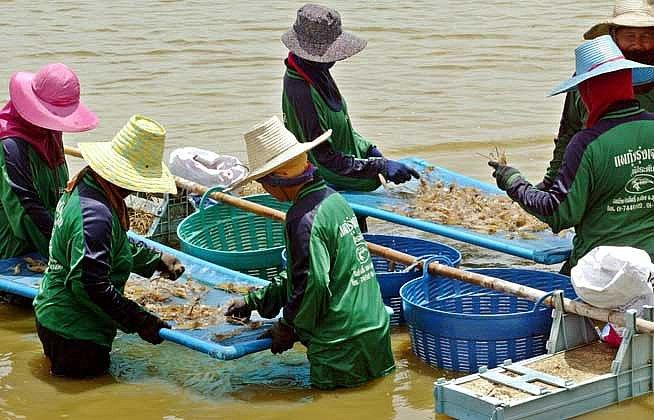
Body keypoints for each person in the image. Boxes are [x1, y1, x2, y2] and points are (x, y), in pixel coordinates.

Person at [225, 116, 395, 389]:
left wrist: (288, 327)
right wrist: (254, 301)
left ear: (278, 178)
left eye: (264, 183)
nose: (266, 191)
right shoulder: (333, 200)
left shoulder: (302, 219)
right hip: (374, 329)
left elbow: (312, 283)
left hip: (340, 345)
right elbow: (300, 274)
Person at [33, 115, 185, 378]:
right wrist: (140, 320)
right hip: (75, 331)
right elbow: (90, 285)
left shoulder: (88, 186)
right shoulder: (97, 215)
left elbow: (109, 245)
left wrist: (154, 260)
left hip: (54, 316)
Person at [489, 35, 654, 275]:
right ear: (629, 84)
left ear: (587, 92)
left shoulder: (587, 144)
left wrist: (515, 183)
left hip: (602, 269)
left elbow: (558, 213)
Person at [281, 4, 420, 194]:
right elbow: (326, 159)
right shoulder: (302, 92)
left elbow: (342, 130)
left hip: (344, 164)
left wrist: (369, 150)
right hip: (327, 177)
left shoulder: (315, 71)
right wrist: (379, 167)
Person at [539, 0, 654, 189]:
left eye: (646, 37)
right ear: (614, 37)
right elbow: (569, 131)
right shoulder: (589, 79)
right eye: (630, 36)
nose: (638, 45)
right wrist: (551, 181)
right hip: (599, 175)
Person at [0, 63, 98, 258]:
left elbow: (60, 190)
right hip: (14, 248)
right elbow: (25, 211)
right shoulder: (10, 147)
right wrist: (66, 254)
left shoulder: (48, 131)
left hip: (50, 233)